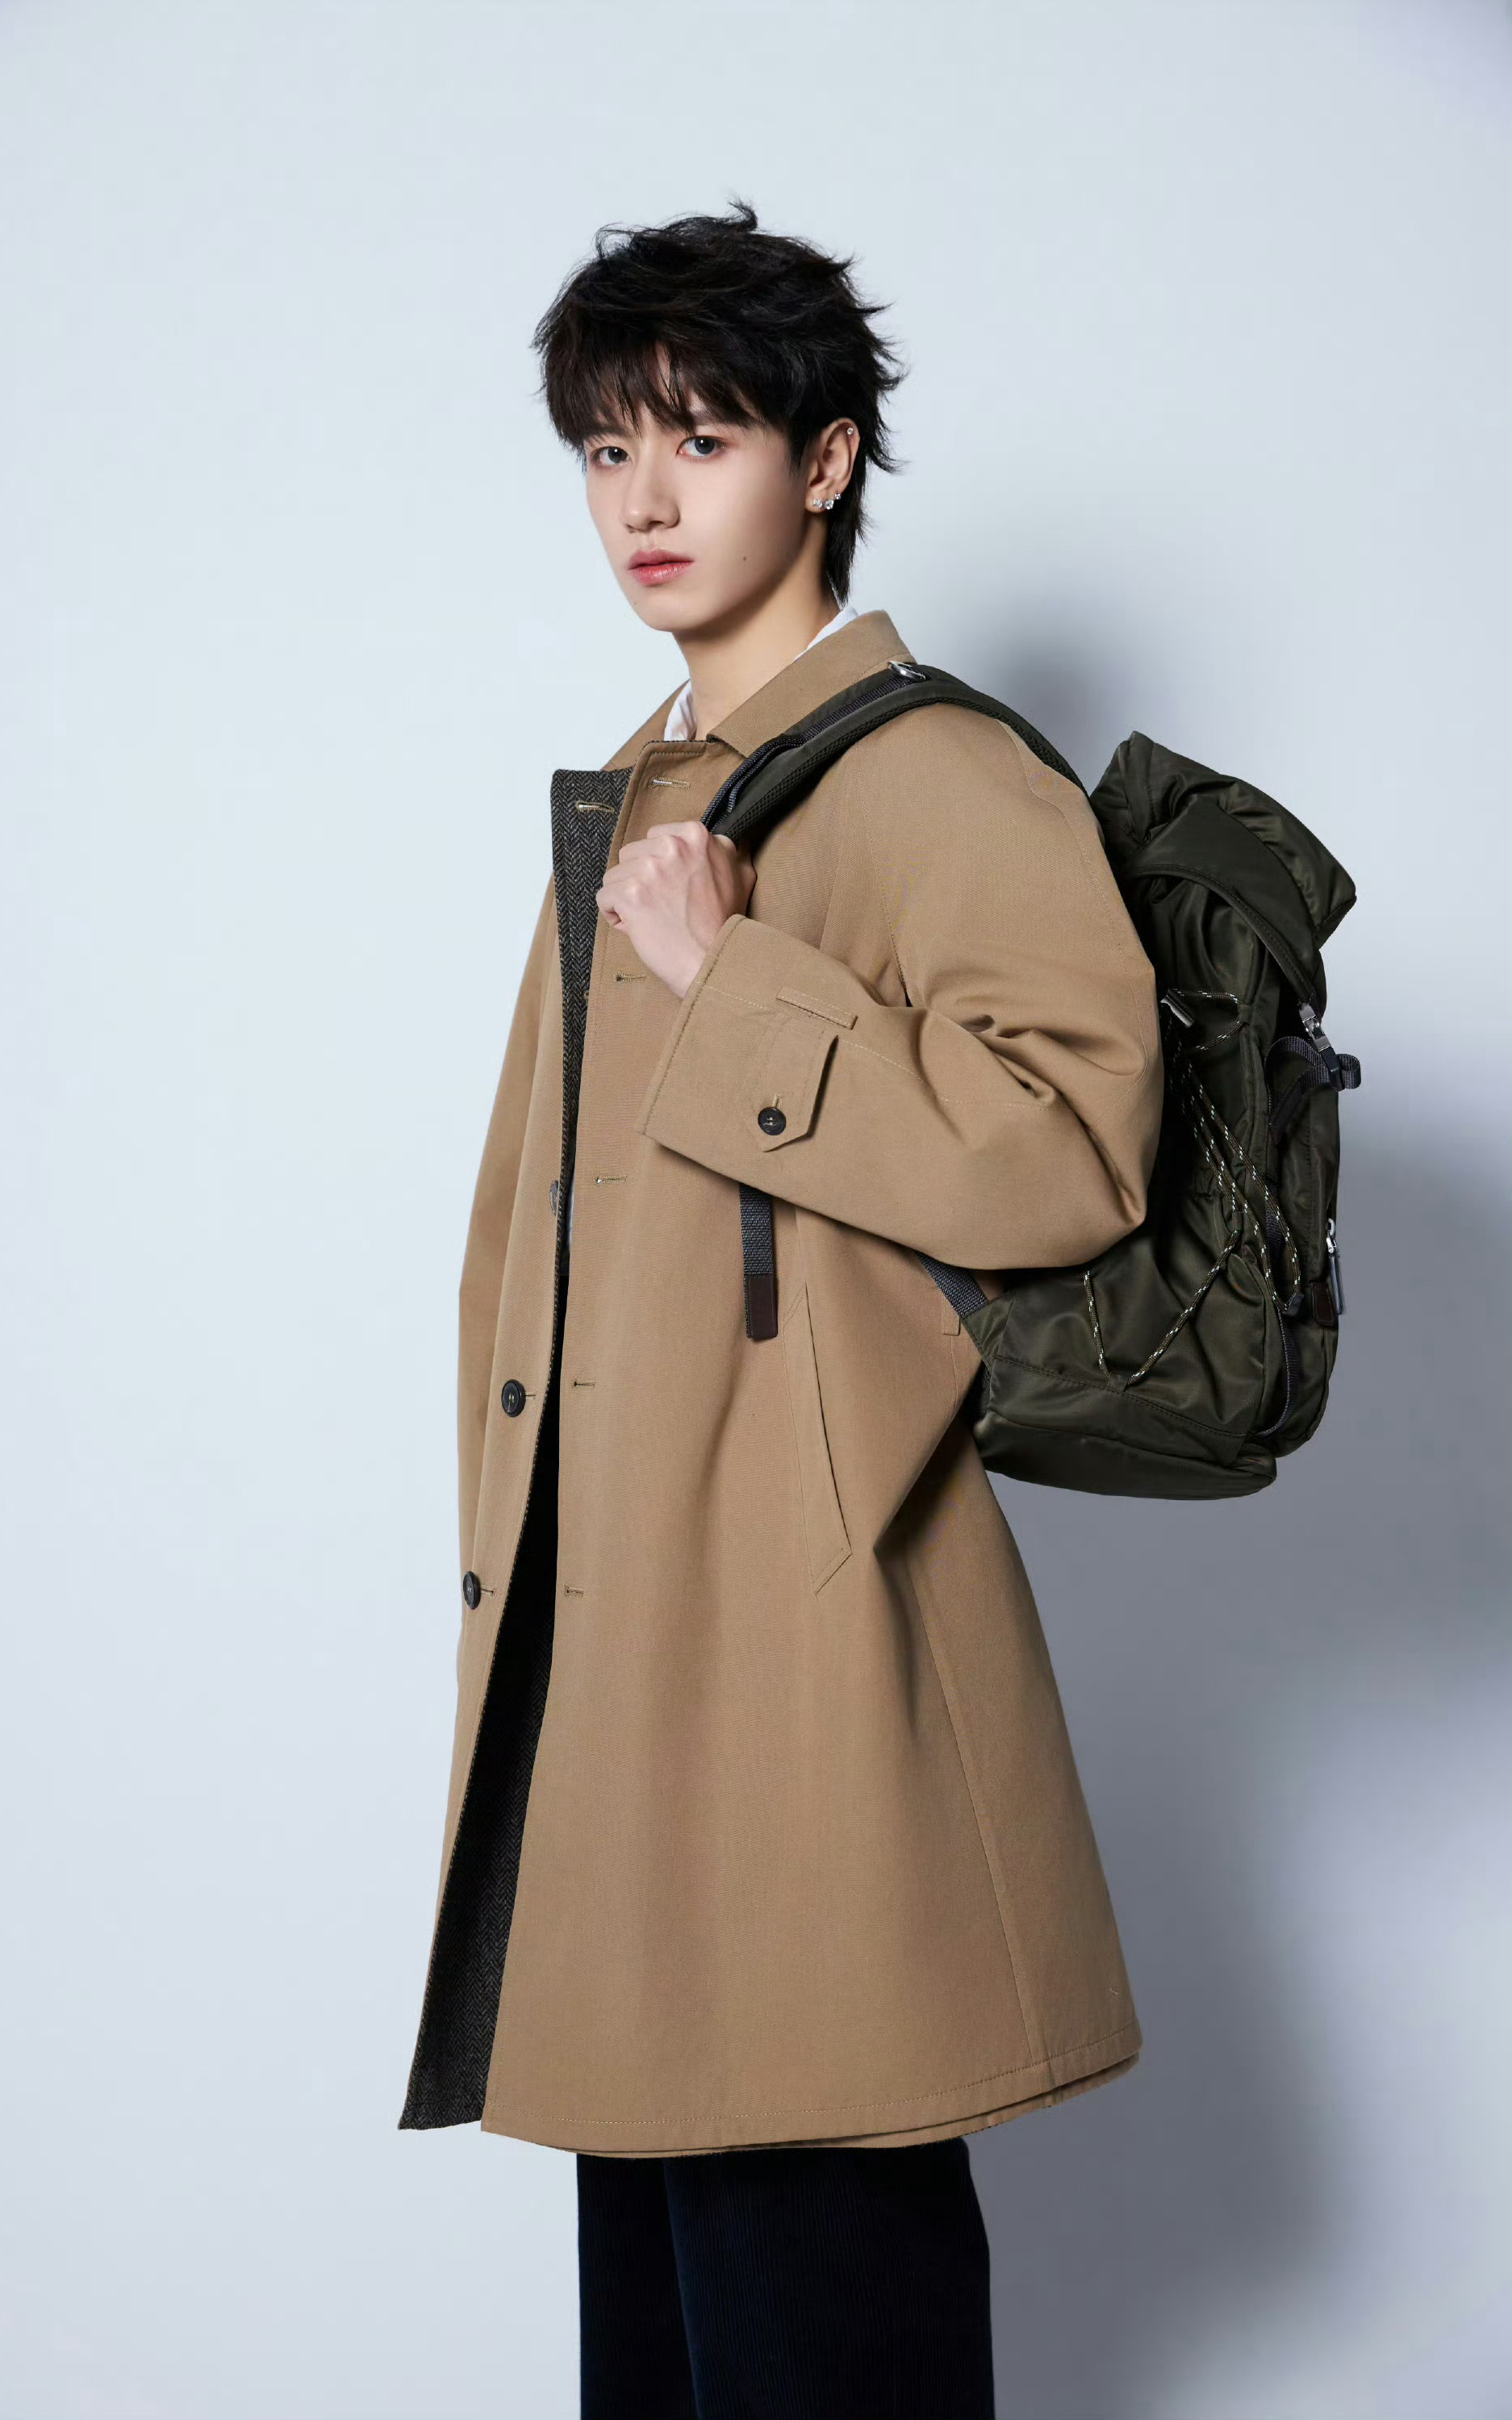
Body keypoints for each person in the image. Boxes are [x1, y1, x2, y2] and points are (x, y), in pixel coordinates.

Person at [399, 201, 1163, 2418]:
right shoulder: (645, 794)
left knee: (819, 2283)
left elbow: (1066, 1151)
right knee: (665, 2339)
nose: (644, 499)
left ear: (825, 464)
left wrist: (732, 976)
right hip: (621, 1647)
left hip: (809, 1665)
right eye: (606, 449)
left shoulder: (942, 778)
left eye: (704, 438)